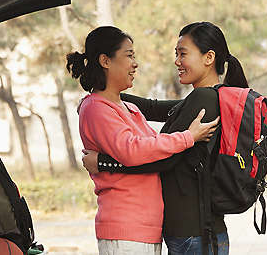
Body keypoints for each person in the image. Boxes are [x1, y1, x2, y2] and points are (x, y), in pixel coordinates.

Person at [82, 22, 249, 255]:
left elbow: (163, 160)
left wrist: (103, 162)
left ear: (209, 57)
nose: (177, 61)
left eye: (183, 54)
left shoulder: (203, 100)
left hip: (192, 230)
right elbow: (153, 108)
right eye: (176, 54)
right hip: (197, 229)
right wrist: (105, 93)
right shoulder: (209, 98)